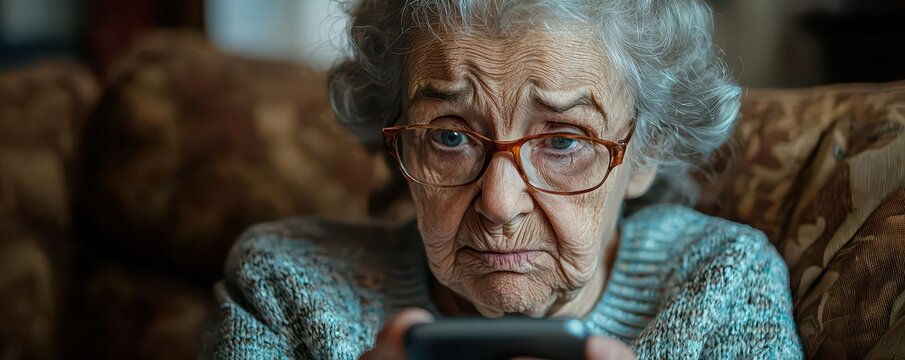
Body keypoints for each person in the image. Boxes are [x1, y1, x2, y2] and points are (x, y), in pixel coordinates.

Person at [206, 0, 803, 358]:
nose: (499, 204)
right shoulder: (285, 286)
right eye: (450, 136)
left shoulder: (722, 285)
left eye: (563, 142)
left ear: (645, 151)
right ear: (396, 141)